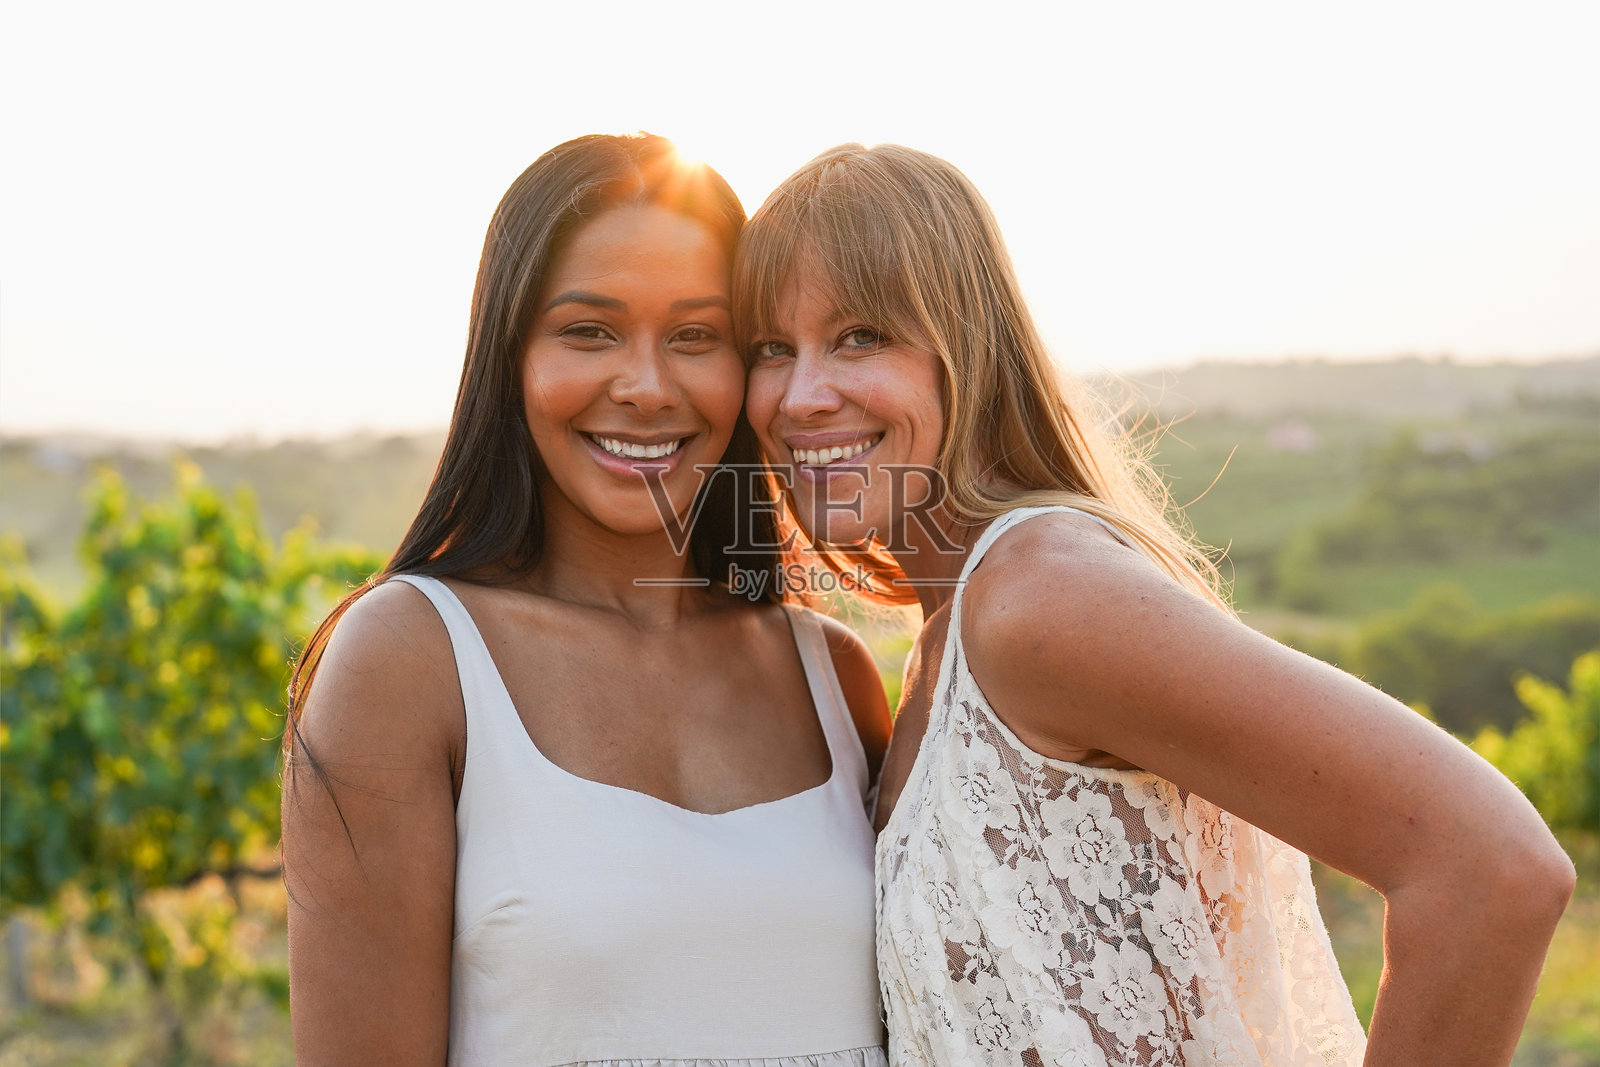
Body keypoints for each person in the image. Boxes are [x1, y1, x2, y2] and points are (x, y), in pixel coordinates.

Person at [733, 142, 1575, 1066]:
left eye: (860, 336)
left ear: (965, 346)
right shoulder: (942, 647)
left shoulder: (1037, 598)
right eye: (772, 349)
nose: (802, 394)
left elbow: (1492, 869)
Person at [281, 134, 892, 1066]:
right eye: (588, 331)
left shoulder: (832, 678)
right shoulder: (409, 662)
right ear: (510, 358)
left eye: (697, 336)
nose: (645, 387)